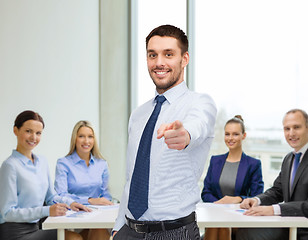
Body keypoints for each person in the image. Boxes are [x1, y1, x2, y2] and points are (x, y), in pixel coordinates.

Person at [112, 24, 217, 240]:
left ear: (184, 59)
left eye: (168, 54)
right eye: (153, 55)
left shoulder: (199, 103)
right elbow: (132, 177)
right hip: (128, 232)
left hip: (173, 233)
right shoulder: (139, 115)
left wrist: (184, 135)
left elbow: (197, 126)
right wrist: (117, 227)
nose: (159, 62)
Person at [0, 110, 89, 240]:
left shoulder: (42, 162)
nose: (33, 138)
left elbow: (51, 196)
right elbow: (7, 212)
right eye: (28, 131)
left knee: (82, 235)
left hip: (37, 227)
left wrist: (71, 203)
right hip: (15, 232)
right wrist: (47, 211)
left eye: (38, 133)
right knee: (74, 238)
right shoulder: (10, 166)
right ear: (15, 130)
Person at [237, 109, 308, 240]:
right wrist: (257, 200)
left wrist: (274, 209)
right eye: (287, 129)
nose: (291, 133)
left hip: (304, 231)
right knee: (240, 231)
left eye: (296, 127)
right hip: (288, 226)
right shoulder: (289, 159)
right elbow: (277, 191)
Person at [201, 115, 264, 240]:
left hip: (240, 217)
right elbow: (206, 192)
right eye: (227, 134)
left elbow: (258, 196)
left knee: (221, 224)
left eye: (235, 134)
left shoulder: (253, 164)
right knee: (218, 223)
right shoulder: (215, 161)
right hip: (216, 215)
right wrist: (219, 204)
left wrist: (238, 199)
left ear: (243, 136)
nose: (230, 138)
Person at [55, 120, 113, 240]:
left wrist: (103, 202)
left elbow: (106, 195)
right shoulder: (63, 163)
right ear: (75, 139)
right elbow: (60, 195)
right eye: (81, 136)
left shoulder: (102, 164)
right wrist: (89, 201)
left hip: (96, 217)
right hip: (71, 217)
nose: (86, 141)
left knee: (100, 230)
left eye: (90, 137)